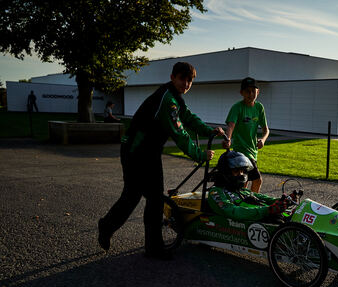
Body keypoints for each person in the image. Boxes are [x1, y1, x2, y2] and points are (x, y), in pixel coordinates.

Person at [98, 61, 225, 260]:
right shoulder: (168, 100)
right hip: (135, 152)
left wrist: (209, 131)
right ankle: (107, 226)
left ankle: (153, 248)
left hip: (150, 152)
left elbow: (189, 118)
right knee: (132, 196)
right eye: (182, 78)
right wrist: (200, 155)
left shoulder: (175, 97)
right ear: (173, 77)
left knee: (155, 199)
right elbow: (180, 133)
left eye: (190, 80)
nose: (186, 84)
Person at [207, 151, 291, 222]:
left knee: (287, 216)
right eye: (236, 171)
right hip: (232, 229)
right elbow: (233, 212)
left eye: (242, 171)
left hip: (258, 220)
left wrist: (283, 201)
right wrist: (267, 210)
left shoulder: (241, 191)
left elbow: (263, 198)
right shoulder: (216, 192)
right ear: (226, 172)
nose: (241, 175)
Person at [222, 77, 269, 193]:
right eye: (247, 91)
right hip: (241, 151)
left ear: (258, 92)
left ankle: (241, 202)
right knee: (257, 180)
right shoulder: (237, 107)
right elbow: (231, 125)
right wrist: (228, 139)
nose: (251, 94)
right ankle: (252, 202)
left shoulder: (259, 107)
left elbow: (266, 129)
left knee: (244, 182)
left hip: (253, 151)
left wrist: (263, 140)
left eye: (254, 91)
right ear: (241, 93)